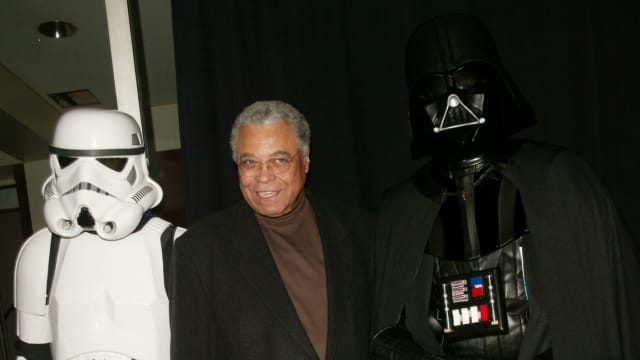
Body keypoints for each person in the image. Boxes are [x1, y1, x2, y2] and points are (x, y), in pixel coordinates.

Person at [370, 14, 640, 359]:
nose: (453, 102)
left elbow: (606, 312)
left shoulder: (555, 180)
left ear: (495, 83)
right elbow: (383, 330)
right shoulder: (403, 209)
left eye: (466, 81)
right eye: (435, 90)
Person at [170, 100, 373, 359]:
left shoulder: (361, 231)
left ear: (306, 161)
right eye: (250, 162)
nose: (264, 176)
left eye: (279, 159)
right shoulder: (199, 251)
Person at [13, 108, 185, 359]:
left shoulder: (177, 246)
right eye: (69, 162)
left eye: (108, 163)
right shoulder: (41, 251)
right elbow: (31, 351)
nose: (85, 179)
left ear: (138, 164)